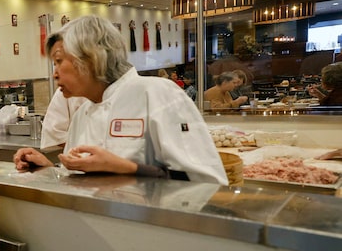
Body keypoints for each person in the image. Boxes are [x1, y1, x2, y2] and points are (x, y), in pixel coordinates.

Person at [13, 15, 227, 185]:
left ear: (91, 58)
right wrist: (48, 169)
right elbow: (81, 184)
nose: (55, 74)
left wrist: (127, 168)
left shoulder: (157, 93)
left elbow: (207, 183)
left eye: (59, 62)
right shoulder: (81, 115)